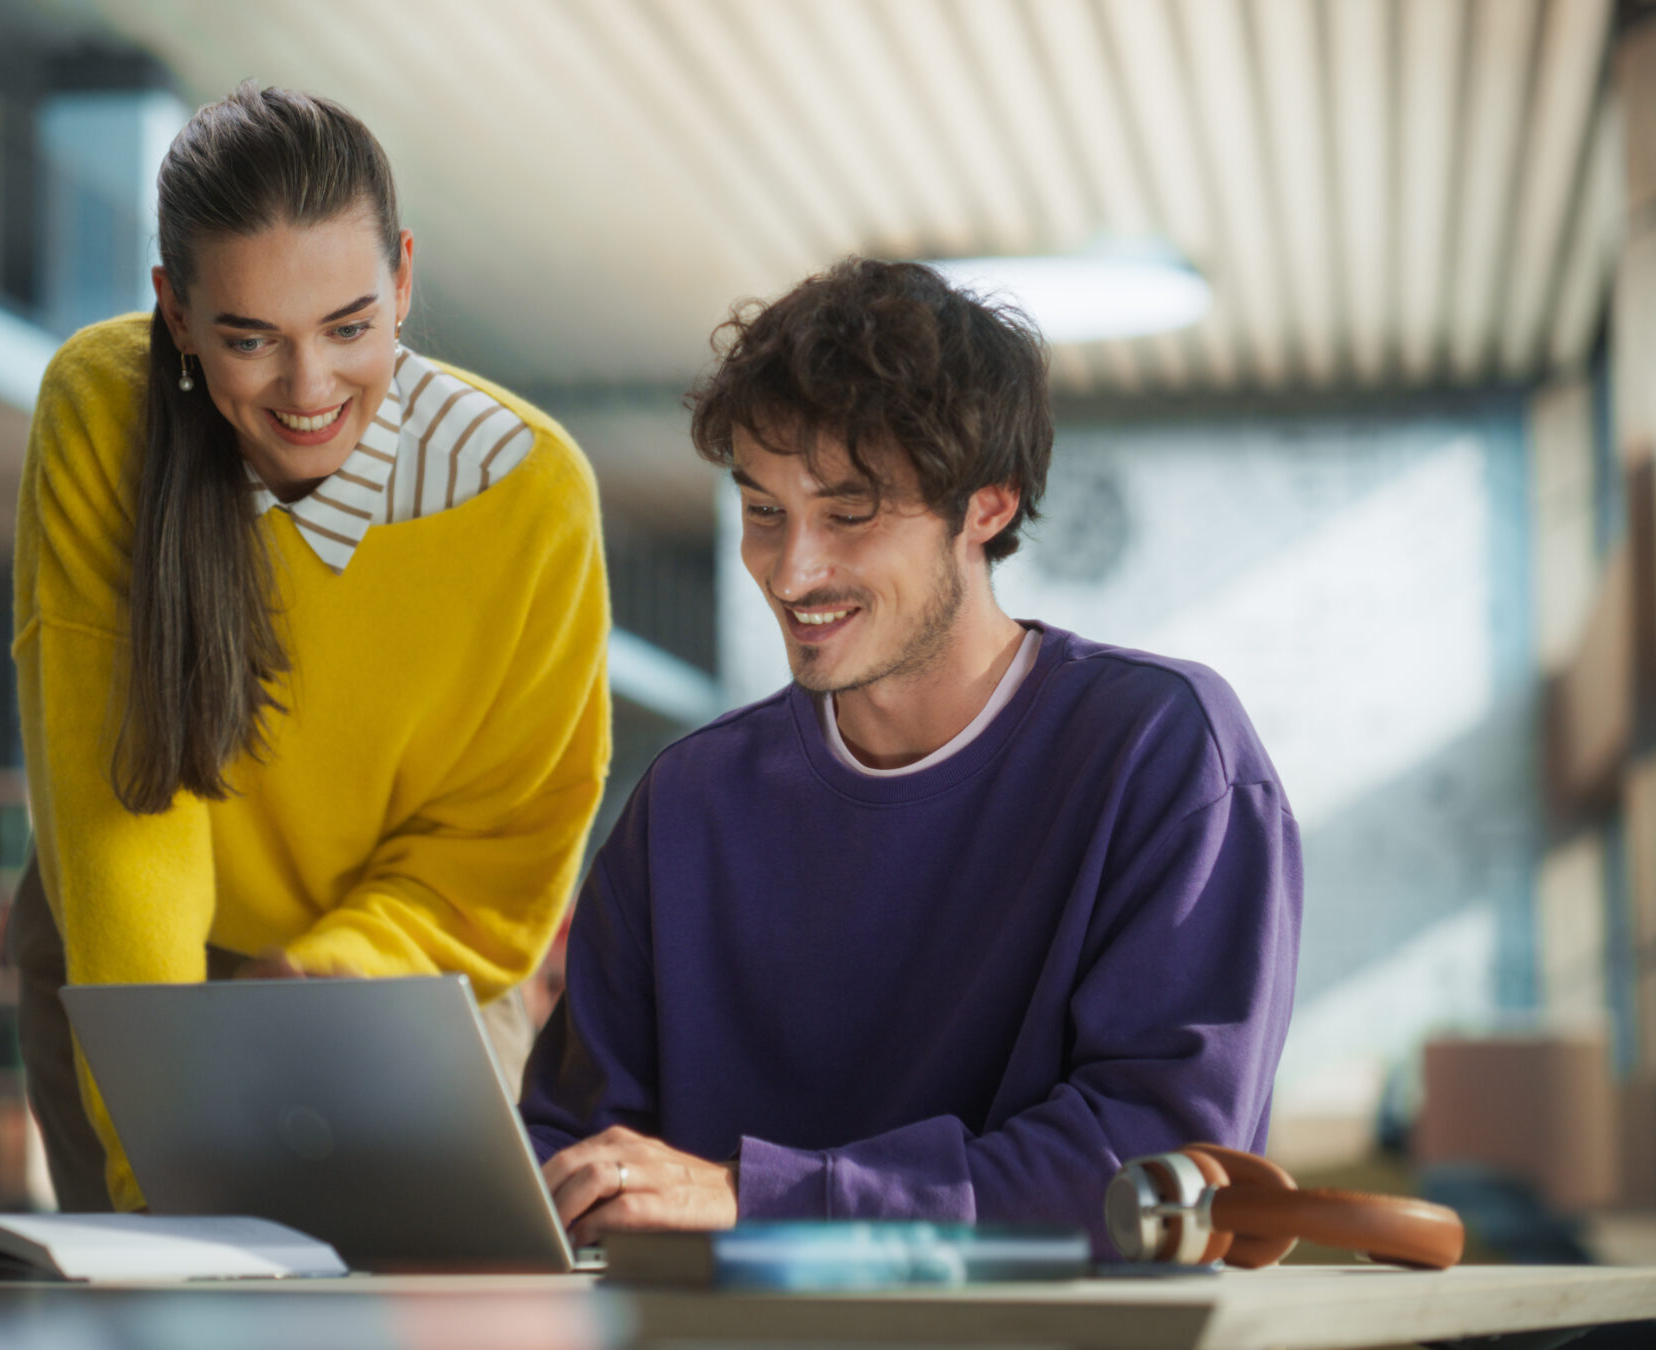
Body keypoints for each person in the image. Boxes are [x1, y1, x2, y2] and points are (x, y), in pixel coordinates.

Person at [520, 259, 1300, 1244]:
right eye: (763, 510)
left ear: (987, 505)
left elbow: (1156, 1169)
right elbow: (574, 1155)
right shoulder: (687, 802)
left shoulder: (1161, 750)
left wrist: (757, 1196)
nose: (792, 570)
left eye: (848, 512)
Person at [12, 85, 612, 1213]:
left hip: (408, 975)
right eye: (249, 339)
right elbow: (120, 814)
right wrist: (161, 1187)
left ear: (403, 279)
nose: (308, 392)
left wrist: (316, 974)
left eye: (349, 327)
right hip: (130, 963)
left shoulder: (532, 496)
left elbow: (503, 853)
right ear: (176, 316)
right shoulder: (100, 412)